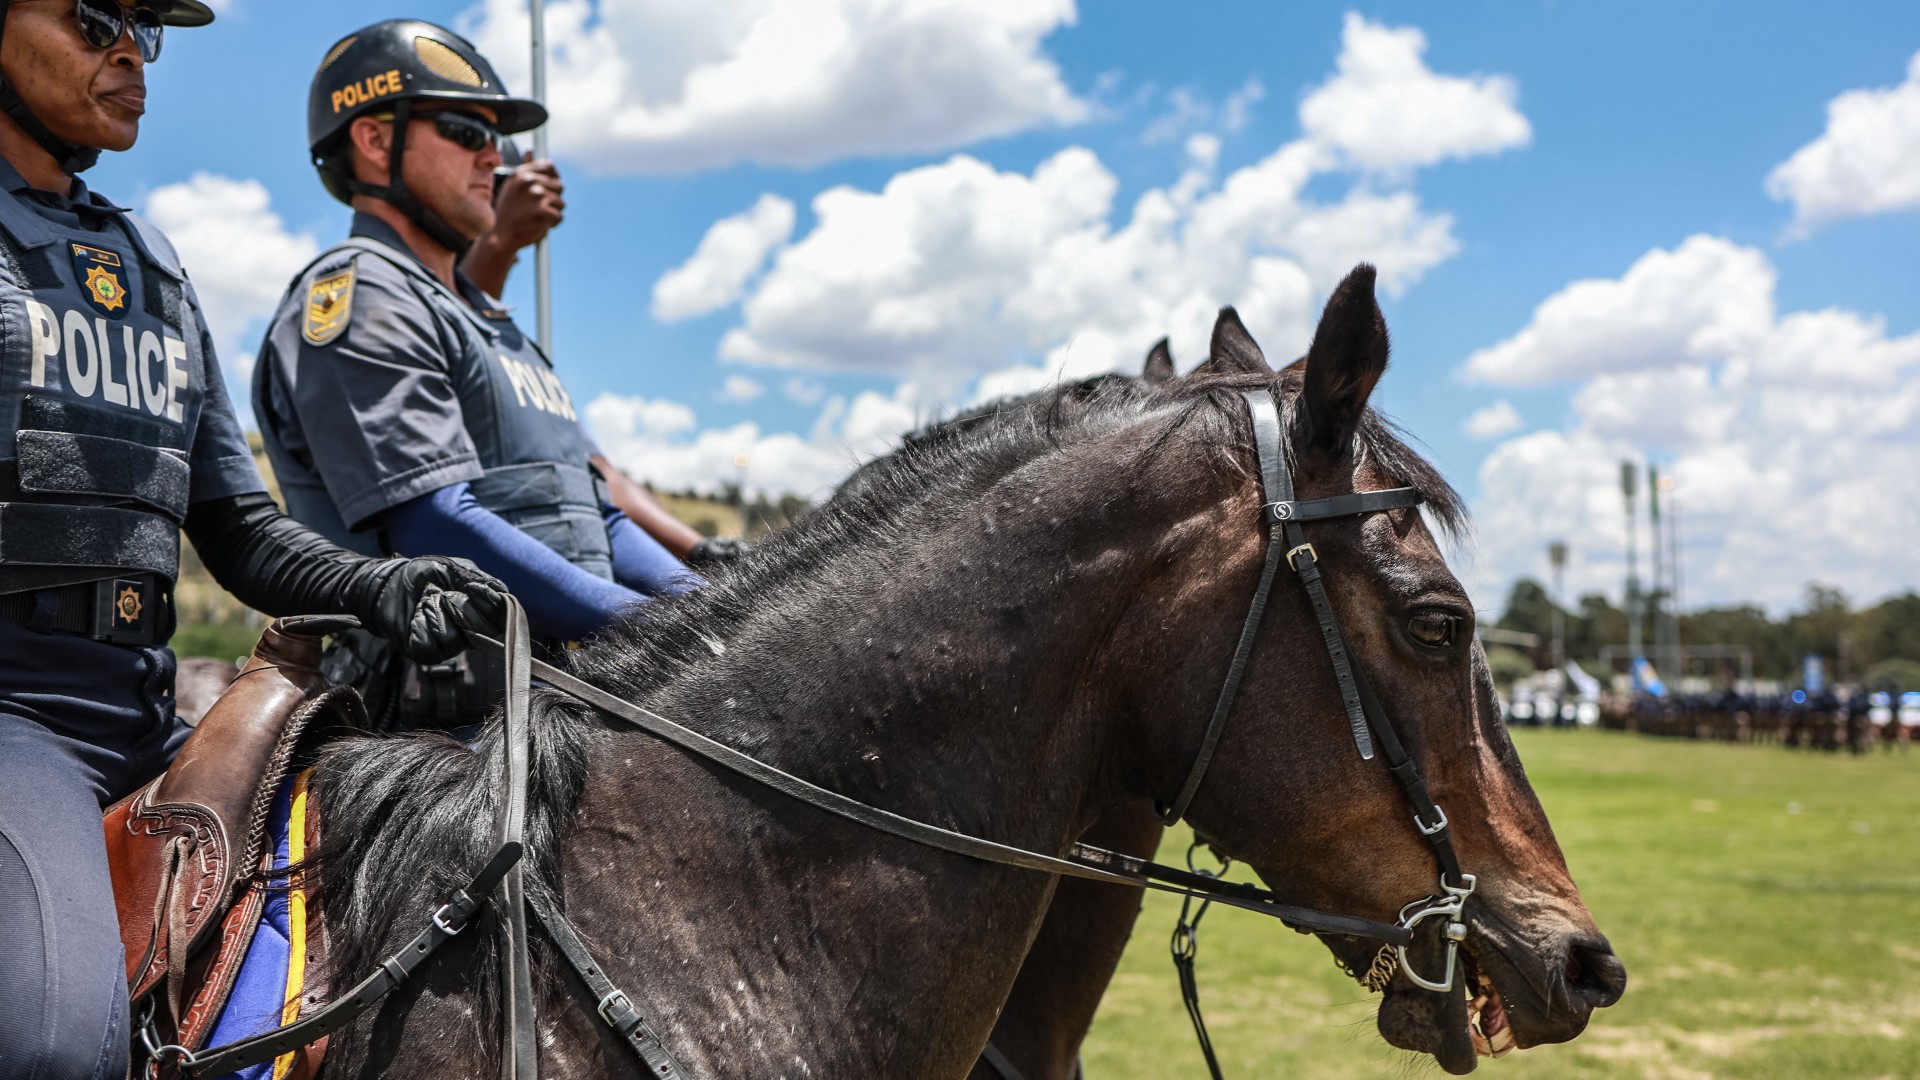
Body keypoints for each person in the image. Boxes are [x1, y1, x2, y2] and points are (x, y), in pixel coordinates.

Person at [0, 3, 510, 1076]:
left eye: (145, 24)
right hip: (14, 715)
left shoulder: (150, 262)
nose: (130, 49)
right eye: (94, 15)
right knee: (52, 1045)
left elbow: (236, 527)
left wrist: (385, 584)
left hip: (148, 706)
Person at [253, 20, 698, 725]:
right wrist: (653, 629)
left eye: (500, 139)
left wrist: (707, 609)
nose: (497, 157)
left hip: (569, 694)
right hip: (438, 731)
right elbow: (436, 524)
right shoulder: (364, 297)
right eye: (467, 130)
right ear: (373, 141)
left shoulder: (492, 321)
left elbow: (599, 514)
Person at [463, 140, 746, 568]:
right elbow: (455, 327)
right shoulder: (408, 313)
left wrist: (701, 552)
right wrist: (500, 238)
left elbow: (601, 479)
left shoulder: (522, 354)